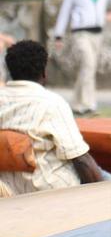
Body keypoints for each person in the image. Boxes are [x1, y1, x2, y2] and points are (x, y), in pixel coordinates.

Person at [0, 40, 103, 195]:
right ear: (44, 72)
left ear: (10, 70)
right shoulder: (52, 103)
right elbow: (81, 160)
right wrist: (100, 196)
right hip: (51, 192)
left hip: (10, 191)